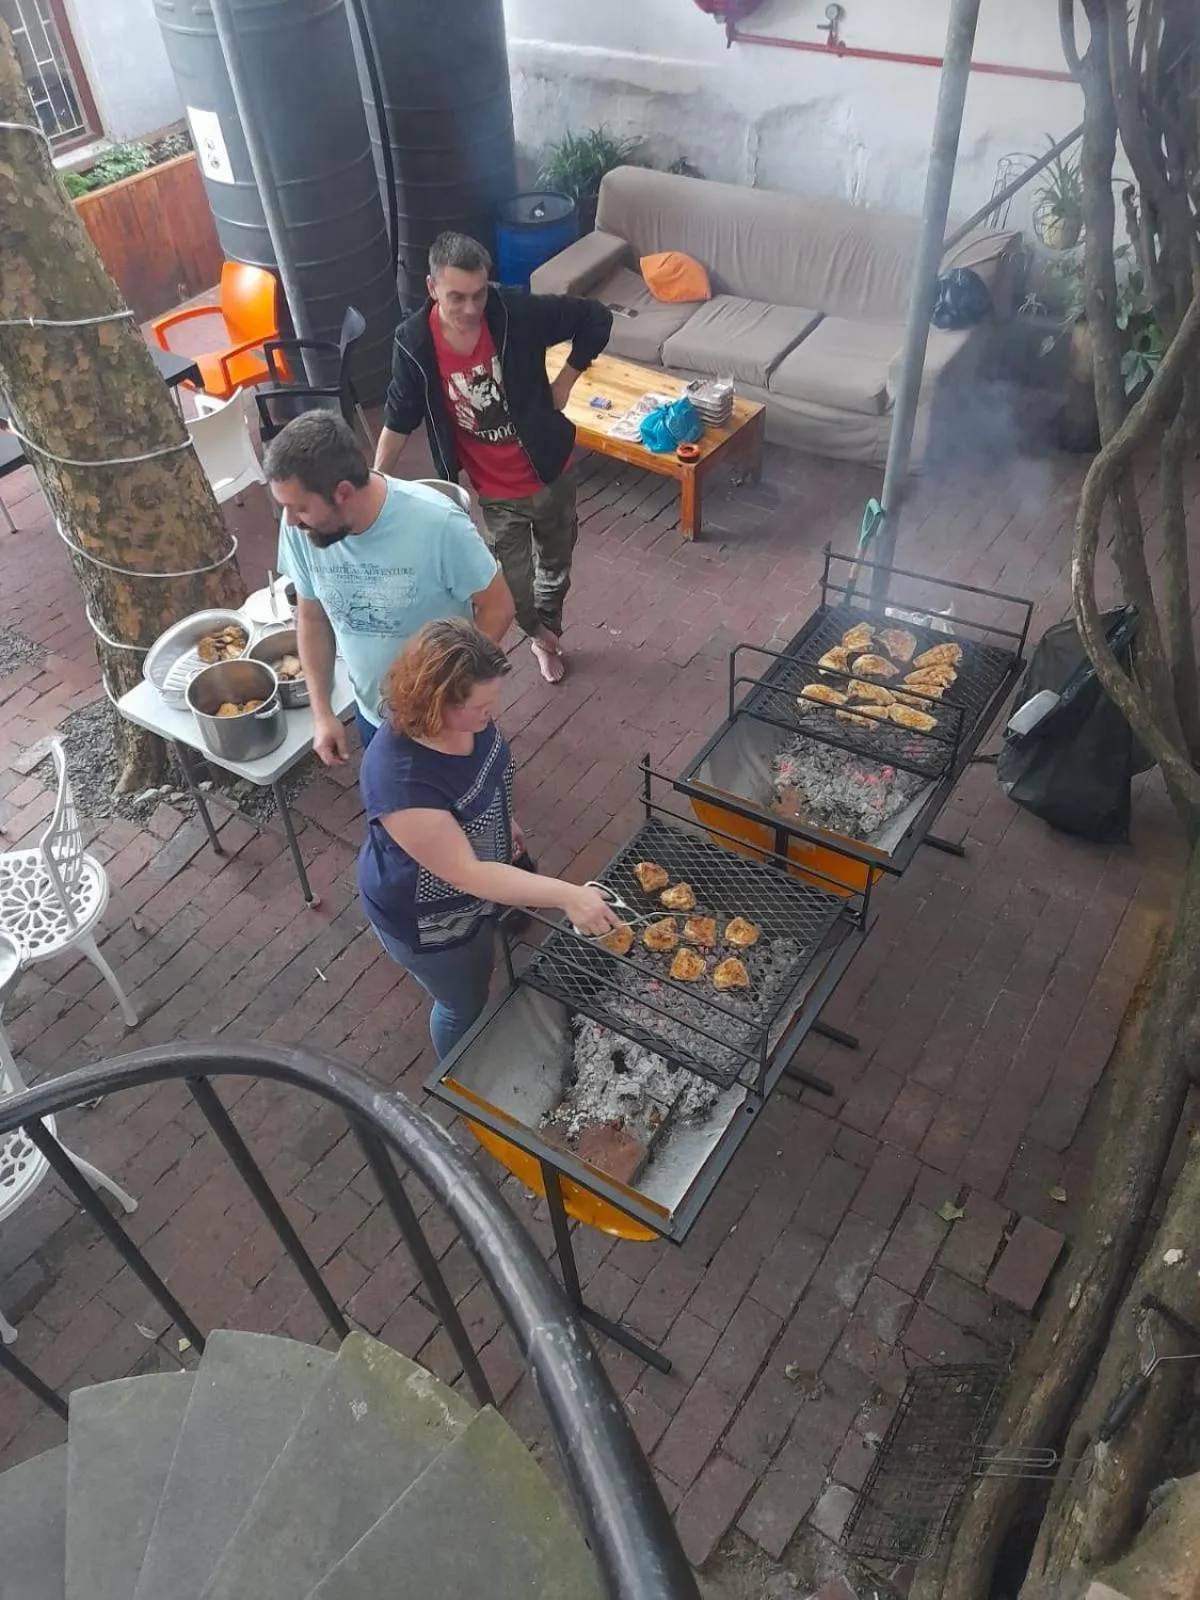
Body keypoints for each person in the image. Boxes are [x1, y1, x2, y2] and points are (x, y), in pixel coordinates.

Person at [357, 617, 621, 1056]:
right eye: (482, 707)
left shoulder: (468, 724)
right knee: (464, 1001)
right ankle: (459, 1079)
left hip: (475, 883)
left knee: (485, 952)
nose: (492, 714)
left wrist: (504, 818)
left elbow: (486, 777)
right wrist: (568, 897)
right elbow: (467, 874)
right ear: (437, 702)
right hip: (429, 916)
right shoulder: (399, 780)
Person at [373, 232, 612, 685]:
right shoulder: (413, 344)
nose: (470, 308)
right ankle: (540, 635)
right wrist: (372, 485)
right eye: (456, 297)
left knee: (556, 568)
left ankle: (548, 632)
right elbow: (399, 418)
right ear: (431, 289)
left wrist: (565, 382)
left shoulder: (515, 313)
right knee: (512, 590)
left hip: (551, 471)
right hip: (496, 493)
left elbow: (596, 319)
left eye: (478, 294)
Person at [265, 411, 514, 764]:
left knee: (475, 809)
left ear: (343, 493)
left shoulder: (438, 524)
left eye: (300, 508)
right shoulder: (301, 530)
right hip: (374, 720)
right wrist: (321, 713)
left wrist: (453, 692)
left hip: (447, 720)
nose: (289, 521)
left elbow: (498, 606)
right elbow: (312, 618)